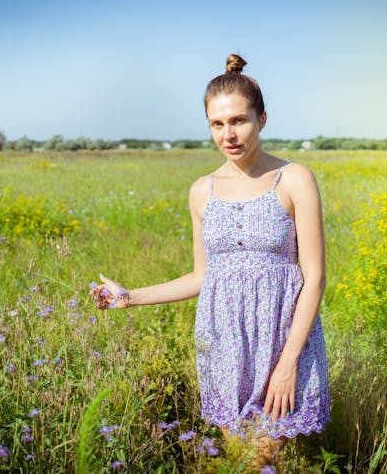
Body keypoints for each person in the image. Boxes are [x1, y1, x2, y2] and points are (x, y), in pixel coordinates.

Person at [91, 54, 330, 468]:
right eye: (217, 124)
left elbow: (315, 278)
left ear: (263, 119)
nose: (228, 134)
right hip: (224, 350)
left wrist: (288, 362)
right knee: (239, 460)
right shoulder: (202, 191)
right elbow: (202, 275)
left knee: (258, 463)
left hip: (281, 346)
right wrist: (129, 297)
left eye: (239, 121)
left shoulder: (294, 179)